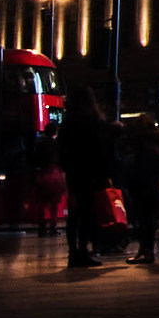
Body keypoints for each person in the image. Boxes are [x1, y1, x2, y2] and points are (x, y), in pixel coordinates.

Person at [57, 86, 118, 269]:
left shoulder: (68, 123)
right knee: (87, 215)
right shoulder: (94, 121)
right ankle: (83, 250)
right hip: (92, 175)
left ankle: (73, 252)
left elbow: (63, 151)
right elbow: (100, 150)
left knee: (74, 215)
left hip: (75, 174)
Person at [120, 117, 159, 265]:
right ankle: (147, 251)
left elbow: (133, 165)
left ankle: (145, 251)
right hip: (153, 185)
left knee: (143, 220)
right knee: (150, 220)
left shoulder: (141, 145)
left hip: (141, 185)